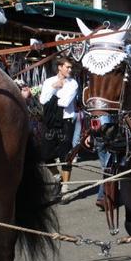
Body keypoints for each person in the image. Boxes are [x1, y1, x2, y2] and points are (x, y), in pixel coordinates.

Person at [39, 57, 79, 197]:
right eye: (67, 67)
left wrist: (52, 98)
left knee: (65, 156)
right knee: (45, 155)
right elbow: (42, 100)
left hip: (66, 121)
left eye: (71, 67)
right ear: (60, 67)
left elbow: (65, 102)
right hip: (50, 122)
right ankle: (58, 177)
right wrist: (54, 87)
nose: (70, 70)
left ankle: (65, 188)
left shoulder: (73, 83)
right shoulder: (49, 82)